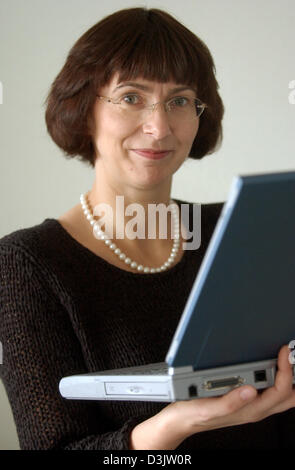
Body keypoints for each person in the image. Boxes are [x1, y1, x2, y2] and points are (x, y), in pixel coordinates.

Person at [0, 7, 294, 451]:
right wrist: (169, 429)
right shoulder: (27, 264)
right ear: (84, 109)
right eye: (131, 97)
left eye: (179, 100)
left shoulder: (235, 231)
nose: (158, 128)